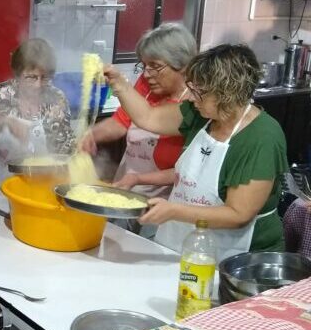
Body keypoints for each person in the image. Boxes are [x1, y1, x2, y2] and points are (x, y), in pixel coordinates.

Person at [103, 43, 288, 255]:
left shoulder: (262, 136)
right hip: (185, 241)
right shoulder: (201, 115)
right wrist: (118, 83)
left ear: (227, 93)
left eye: (199, 92)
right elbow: (148, 117)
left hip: (239, 258)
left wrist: (173, 211)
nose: (190, 97)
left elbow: (238, 214)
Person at [80, 22, 196, 199]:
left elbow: (187, 172)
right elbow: (121, 122)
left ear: (182, 64)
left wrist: (138, 179)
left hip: (162, 200)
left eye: (155, 66)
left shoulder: (195, 105)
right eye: (144, 66)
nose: (147, 74)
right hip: (125, 186)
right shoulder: (147, 85)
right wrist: (90, 135)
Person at [0, 38, 74, 193]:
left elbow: (64, 149)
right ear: (18, 74)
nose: (38, 85)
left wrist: (82, 149)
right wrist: (3, 120)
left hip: (38, 189)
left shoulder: (57, 99)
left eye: (45, 77)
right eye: (31, 77)